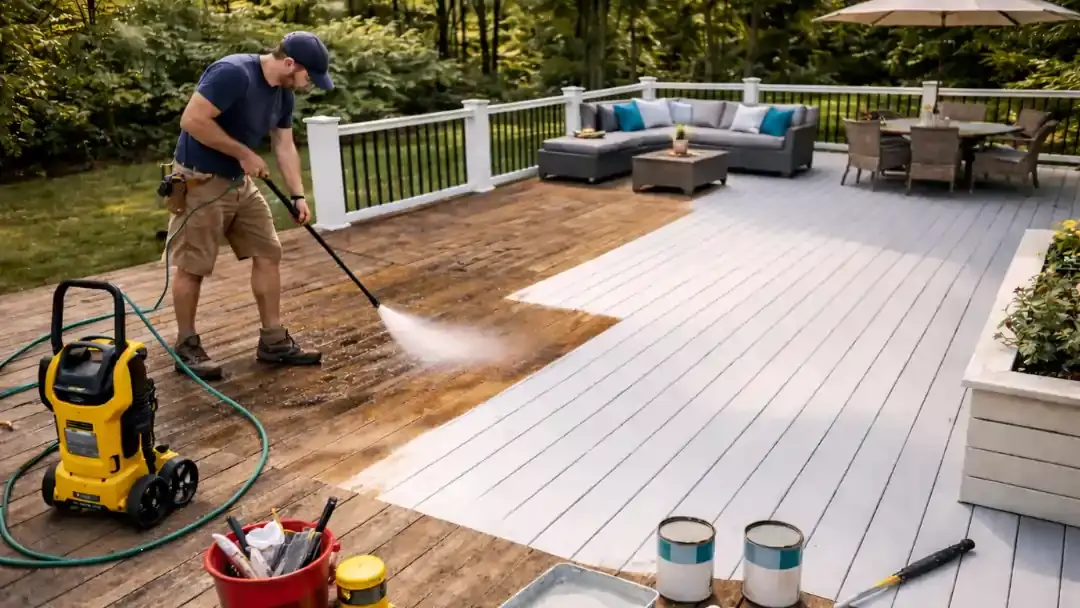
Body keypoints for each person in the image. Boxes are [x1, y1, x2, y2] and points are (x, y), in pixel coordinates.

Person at [162, 31, 334, 381]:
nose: (310, 84)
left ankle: (273, 341)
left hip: (239, 182)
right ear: (290, 63)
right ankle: (186, 347)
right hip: (199, 181)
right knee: (193, 265)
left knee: (269, 251)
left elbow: (283, 144)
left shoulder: (283, 93)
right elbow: (192, 120)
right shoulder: (233, 73)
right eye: (309, 76)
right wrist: (242, 152)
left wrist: (298, 195)